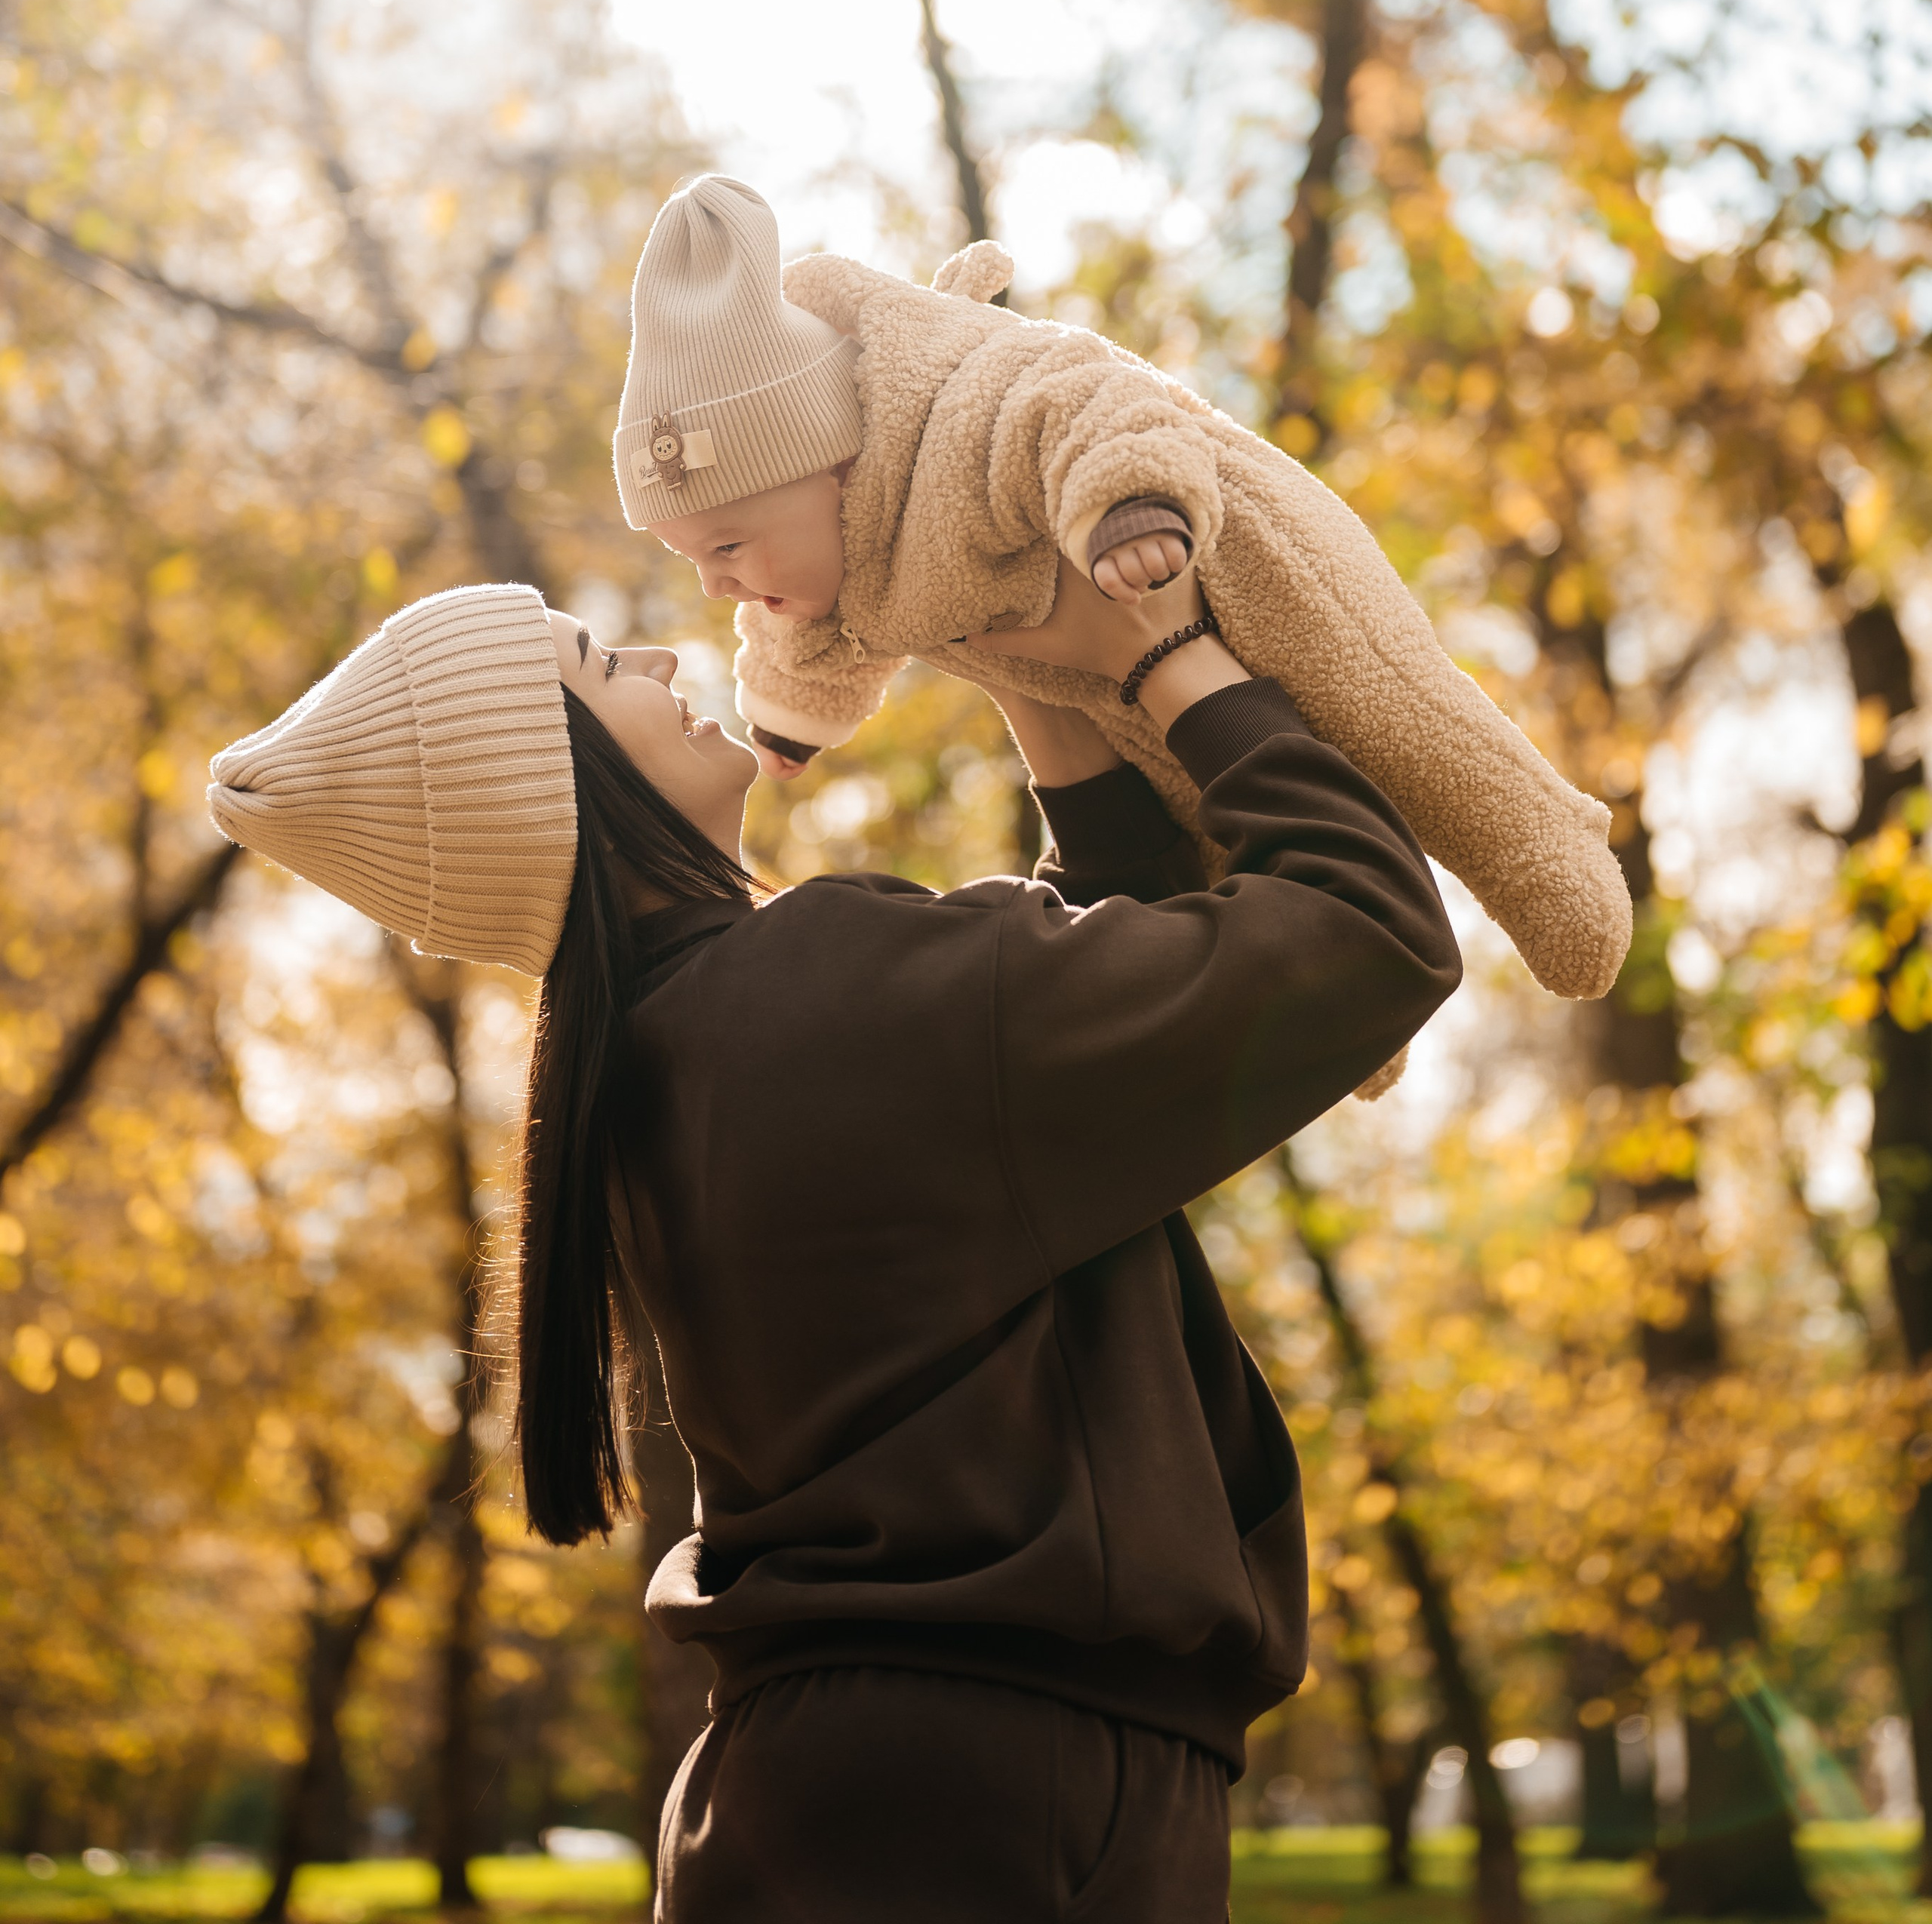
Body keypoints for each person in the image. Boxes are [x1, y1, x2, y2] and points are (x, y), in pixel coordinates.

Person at [207, 553, 1462, 1921]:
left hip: (852, 1790)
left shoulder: (653, 1074)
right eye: (601, 665)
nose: (668, 664)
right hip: (1001, 1803)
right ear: (550, 784)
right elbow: (1370, 932)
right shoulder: (822, 991)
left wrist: (1034, 685)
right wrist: (1167, 664)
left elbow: (1093, 1036)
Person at [610, 173, 1629, 1068]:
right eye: (696, 561)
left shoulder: (962, 412)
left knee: (1394, 721)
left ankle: (1546, 846)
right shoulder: (834, 567)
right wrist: (790, 717)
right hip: (1107, 674)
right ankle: (1345, 1017)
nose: (719, 589)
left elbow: (1090, 399)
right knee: (1205, 813)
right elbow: (801, 640)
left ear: (826, 465)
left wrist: (1129, 509)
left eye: (730, 548)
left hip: (1231, 557)